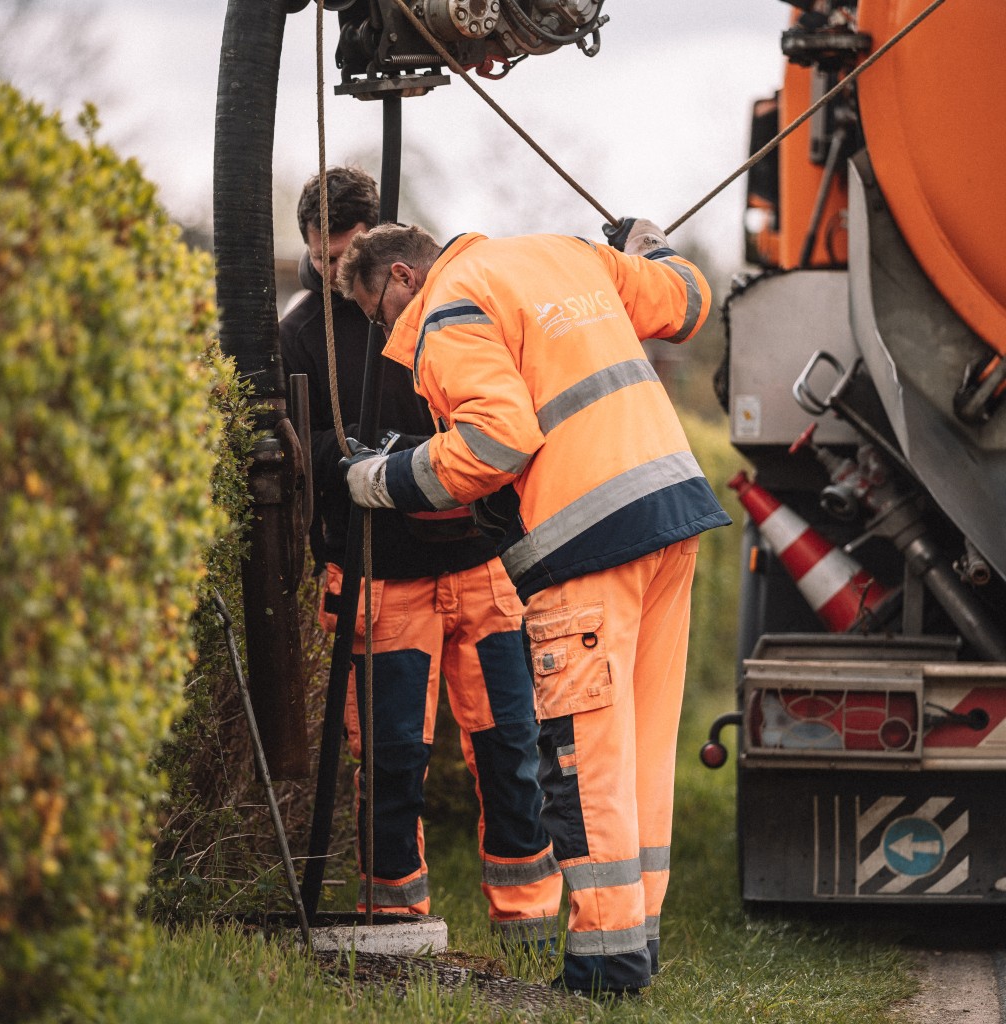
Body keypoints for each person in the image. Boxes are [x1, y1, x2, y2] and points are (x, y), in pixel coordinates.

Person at [335, 218, 732, 997]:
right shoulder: (566, 252)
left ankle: (606, 965)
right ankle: (635, 940)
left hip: (587, 539)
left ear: (403, 278)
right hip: (671, 516)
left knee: (586, 758)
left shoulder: (449, 308)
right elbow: (687, 302)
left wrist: (379, 476)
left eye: (379, 313)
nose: (388, 333)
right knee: (641, 749)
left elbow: (496, 442)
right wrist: (647, 246)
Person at [279, 167, 561, 946]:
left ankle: (529, 919)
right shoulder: (301, 331)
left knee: (511, 746)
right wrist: (360, 462)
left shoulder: (449, 308)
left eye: (350, 258)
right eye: (324, 257)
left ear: (382, 244)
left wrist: (426, 458)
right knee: (393, 761)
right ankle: (392, 922)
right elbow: (294, 445)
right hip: (378, 576)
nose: (340, 275)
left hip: (479, 566)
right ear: (308, 248)